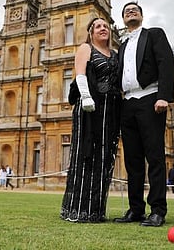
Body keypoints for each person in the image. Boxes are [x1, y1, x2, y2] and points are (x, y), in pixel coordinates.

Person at [114, 2, 174, 227]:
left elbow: (166, 63)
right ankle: (136, 209)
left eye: (134, 10)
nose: (131, 12)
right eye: (127, 11)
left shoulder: (154, 34)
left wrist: (164, 96)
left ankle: (158, 210)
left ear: (141, 15)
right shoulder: (121, 45)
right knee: (133, 160)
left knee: (155, 157)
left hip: (150, 99)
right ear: (123, 19)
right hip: (127, 102)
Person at [60, 17, 121, 223]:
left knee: (104, 156)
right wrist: (86, 96)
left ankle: (96, 210)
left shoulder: (115, 54)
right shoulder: (86, 48)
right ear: (91, 32)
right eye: (98, 26)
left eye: (105, 26)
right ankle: (78, 209)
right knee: (86, 153)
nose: (103, 29)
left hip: (110, 110)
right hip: (90, 107)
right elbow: (80, 74)